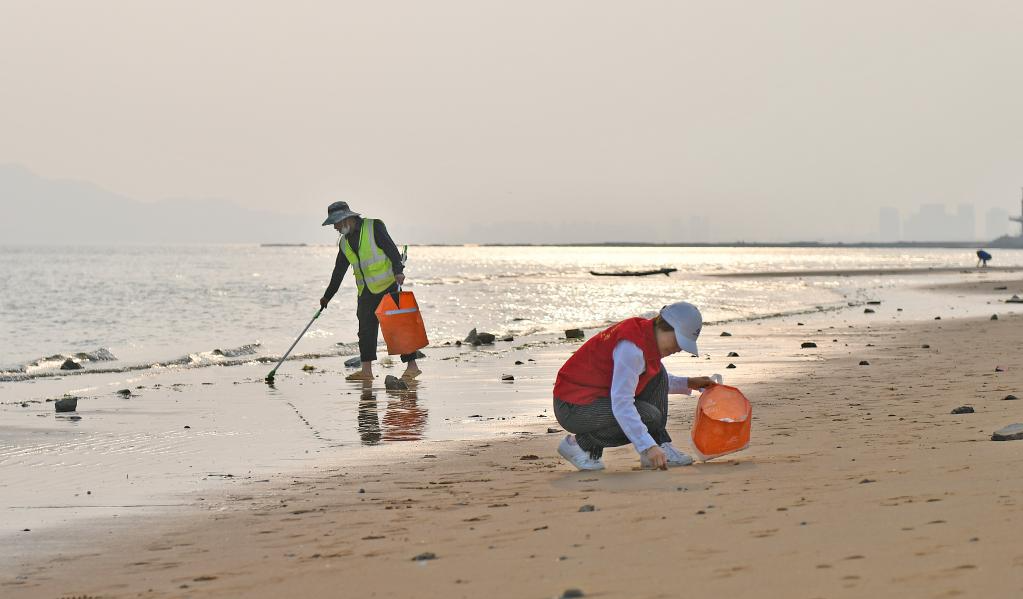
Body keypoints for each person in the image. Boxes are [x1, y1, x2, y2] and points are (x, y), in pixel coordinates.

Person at [552, 302, 717, 471]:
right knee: (649, 416)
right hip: (572, 406)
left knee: (658, 373)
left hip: (594, 398)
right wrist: (647, 446)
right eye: (680, 341)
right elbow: (622, 402)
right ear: (667, 327)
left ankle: (660, 445)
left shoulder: (646, 337)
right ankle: (580, 445)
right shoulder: (631, 348)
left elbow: (645, 379)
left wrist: (689, 383)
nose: (680, 349)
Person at [320, 201, 421, 381]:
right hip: (366, 291)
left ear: (346, 219)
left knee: (398, 326)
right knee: (365, 330)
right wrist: (327, 296)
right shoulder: (344, 243)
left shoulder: (374, 226)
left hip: (389, 284)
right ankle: (366, 372)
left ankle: (412, 367)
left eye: (336, 223)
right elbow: (338, 271)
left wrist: (398, 271)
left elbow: (391, 249)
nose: (335, 227)